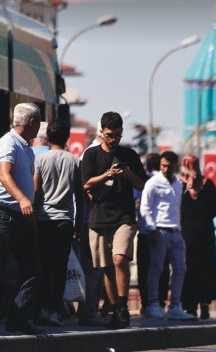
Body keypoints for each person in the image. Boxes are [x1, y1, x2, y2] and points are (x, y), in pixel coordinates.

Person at [0, 102, 43, 335]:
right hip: (2, 215)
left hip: (21, 217)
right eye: (39, 123)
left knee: (32, 268)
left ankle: (18, 318)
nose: (40, 128)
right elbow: (4, 174)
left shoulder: (26, 147)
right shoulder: (9, 142)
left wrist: (29, 211)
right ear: (32, 122)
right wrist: (23, 199)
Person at [80, 111, 146, 329]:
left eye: (117, 135)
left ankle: (122, 306)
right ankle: (116, 308)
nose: (114, 139)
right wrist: (107, 175)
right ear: (102, 132)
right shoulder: (91, 155)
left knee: (119, 259)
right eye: (110, 135)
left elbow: (142, 185)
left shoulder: (130, 155)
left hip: (124, 217)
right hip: (99, 218)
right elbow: (86, 184)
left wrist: (127, 174)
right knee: (107, 267)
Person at [34, 118, 85, 328]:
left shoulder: (41, 160)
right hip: (65, 220)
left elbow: (36, 191)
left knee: (43, 266)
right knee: (59, 267)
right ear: (67, 138)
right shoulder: (74, 161)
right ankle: (55, 310)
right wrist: (78, 223)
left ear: (47, 137)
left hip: (43, 219)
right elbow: (80, 196)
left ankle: (42, 308)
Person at [139, 151, 195, 321]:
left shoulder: (178, 183)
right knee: (156, 269)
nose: (165, 169)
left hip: (176, 232)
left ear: (175, 166)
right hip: (160, 231)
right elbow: (144, 208)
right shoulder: (153, 183)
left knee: (180, 269)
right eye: (163, 165)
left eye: (169, 166)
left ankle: (175, 306)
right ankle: (152, 304)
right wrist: (151, 228)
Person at [178, 154, 216, 319]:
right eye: (188, 164)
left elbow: (214, 208)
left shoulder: (207, 185)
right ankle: (189, 305)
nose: (191, 167)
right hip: (185, 234)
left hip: (204, 234)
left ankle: (204, 303)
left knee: (205, 268)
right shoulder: (179, 185)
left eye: (193, 164)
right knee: (187, 268)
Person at [136, 152, 170, 314]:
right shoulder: (167, 181)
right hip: (163, 231)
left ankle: (146, 304)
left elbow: (135, 202)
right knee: (162, 269)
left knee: (144, 270)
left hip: (145, 232)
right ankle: (160, 302)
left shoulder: (143, 181)